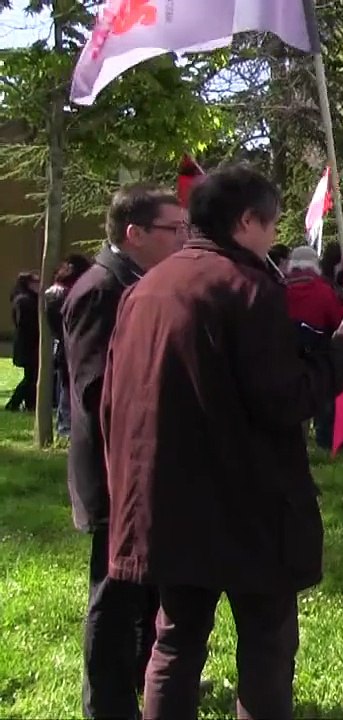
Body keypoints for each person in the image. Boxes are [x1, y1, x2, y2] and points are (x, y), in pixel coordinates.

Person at [101, 164, 343, 718]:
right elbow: (283, 399)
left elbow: (115, 403)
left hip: (166, 500)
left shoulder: (145, 288)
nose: (274, 239)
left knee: (174, 643)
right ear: (246, 221)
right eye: (271, 226)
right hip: (246, 505)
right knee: (266, 647)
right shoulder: (248, 288)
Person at [63, 185, 186, 719]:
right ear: (134, 234)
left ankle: (141, 679)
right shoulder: (101, 289)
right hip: (113, 473)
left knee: (144, 590)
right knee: (113, 595)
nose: (184, 239)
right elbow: (95, 391)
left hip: (140, 468)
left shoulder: (135, 283)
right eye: (173, 230)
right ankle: (107, 704)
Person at [285, 245, 343, 450]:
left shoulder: (279, 287)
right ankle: (322, 441)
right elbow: (338, 321)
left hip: (283, 354)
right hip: (315, 356)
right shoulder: (322, 291)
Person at [45, 255, 92, 436]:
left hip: (67, 341)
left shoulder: (63, 291)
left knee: (67, 382)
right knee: (66, 383)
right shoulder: (60, 293)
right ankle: (65, 425)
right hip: (66, 341)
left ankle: (66, 423)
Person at [6, 271, 39, 412]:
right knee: (31, 376)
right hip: (28, 344)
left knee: (32, 375)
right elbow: (24, 323)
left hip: (29, 343)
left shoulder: (27, 298)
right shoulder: (24, 300)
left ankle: (30, 403)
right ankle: (14, 403)